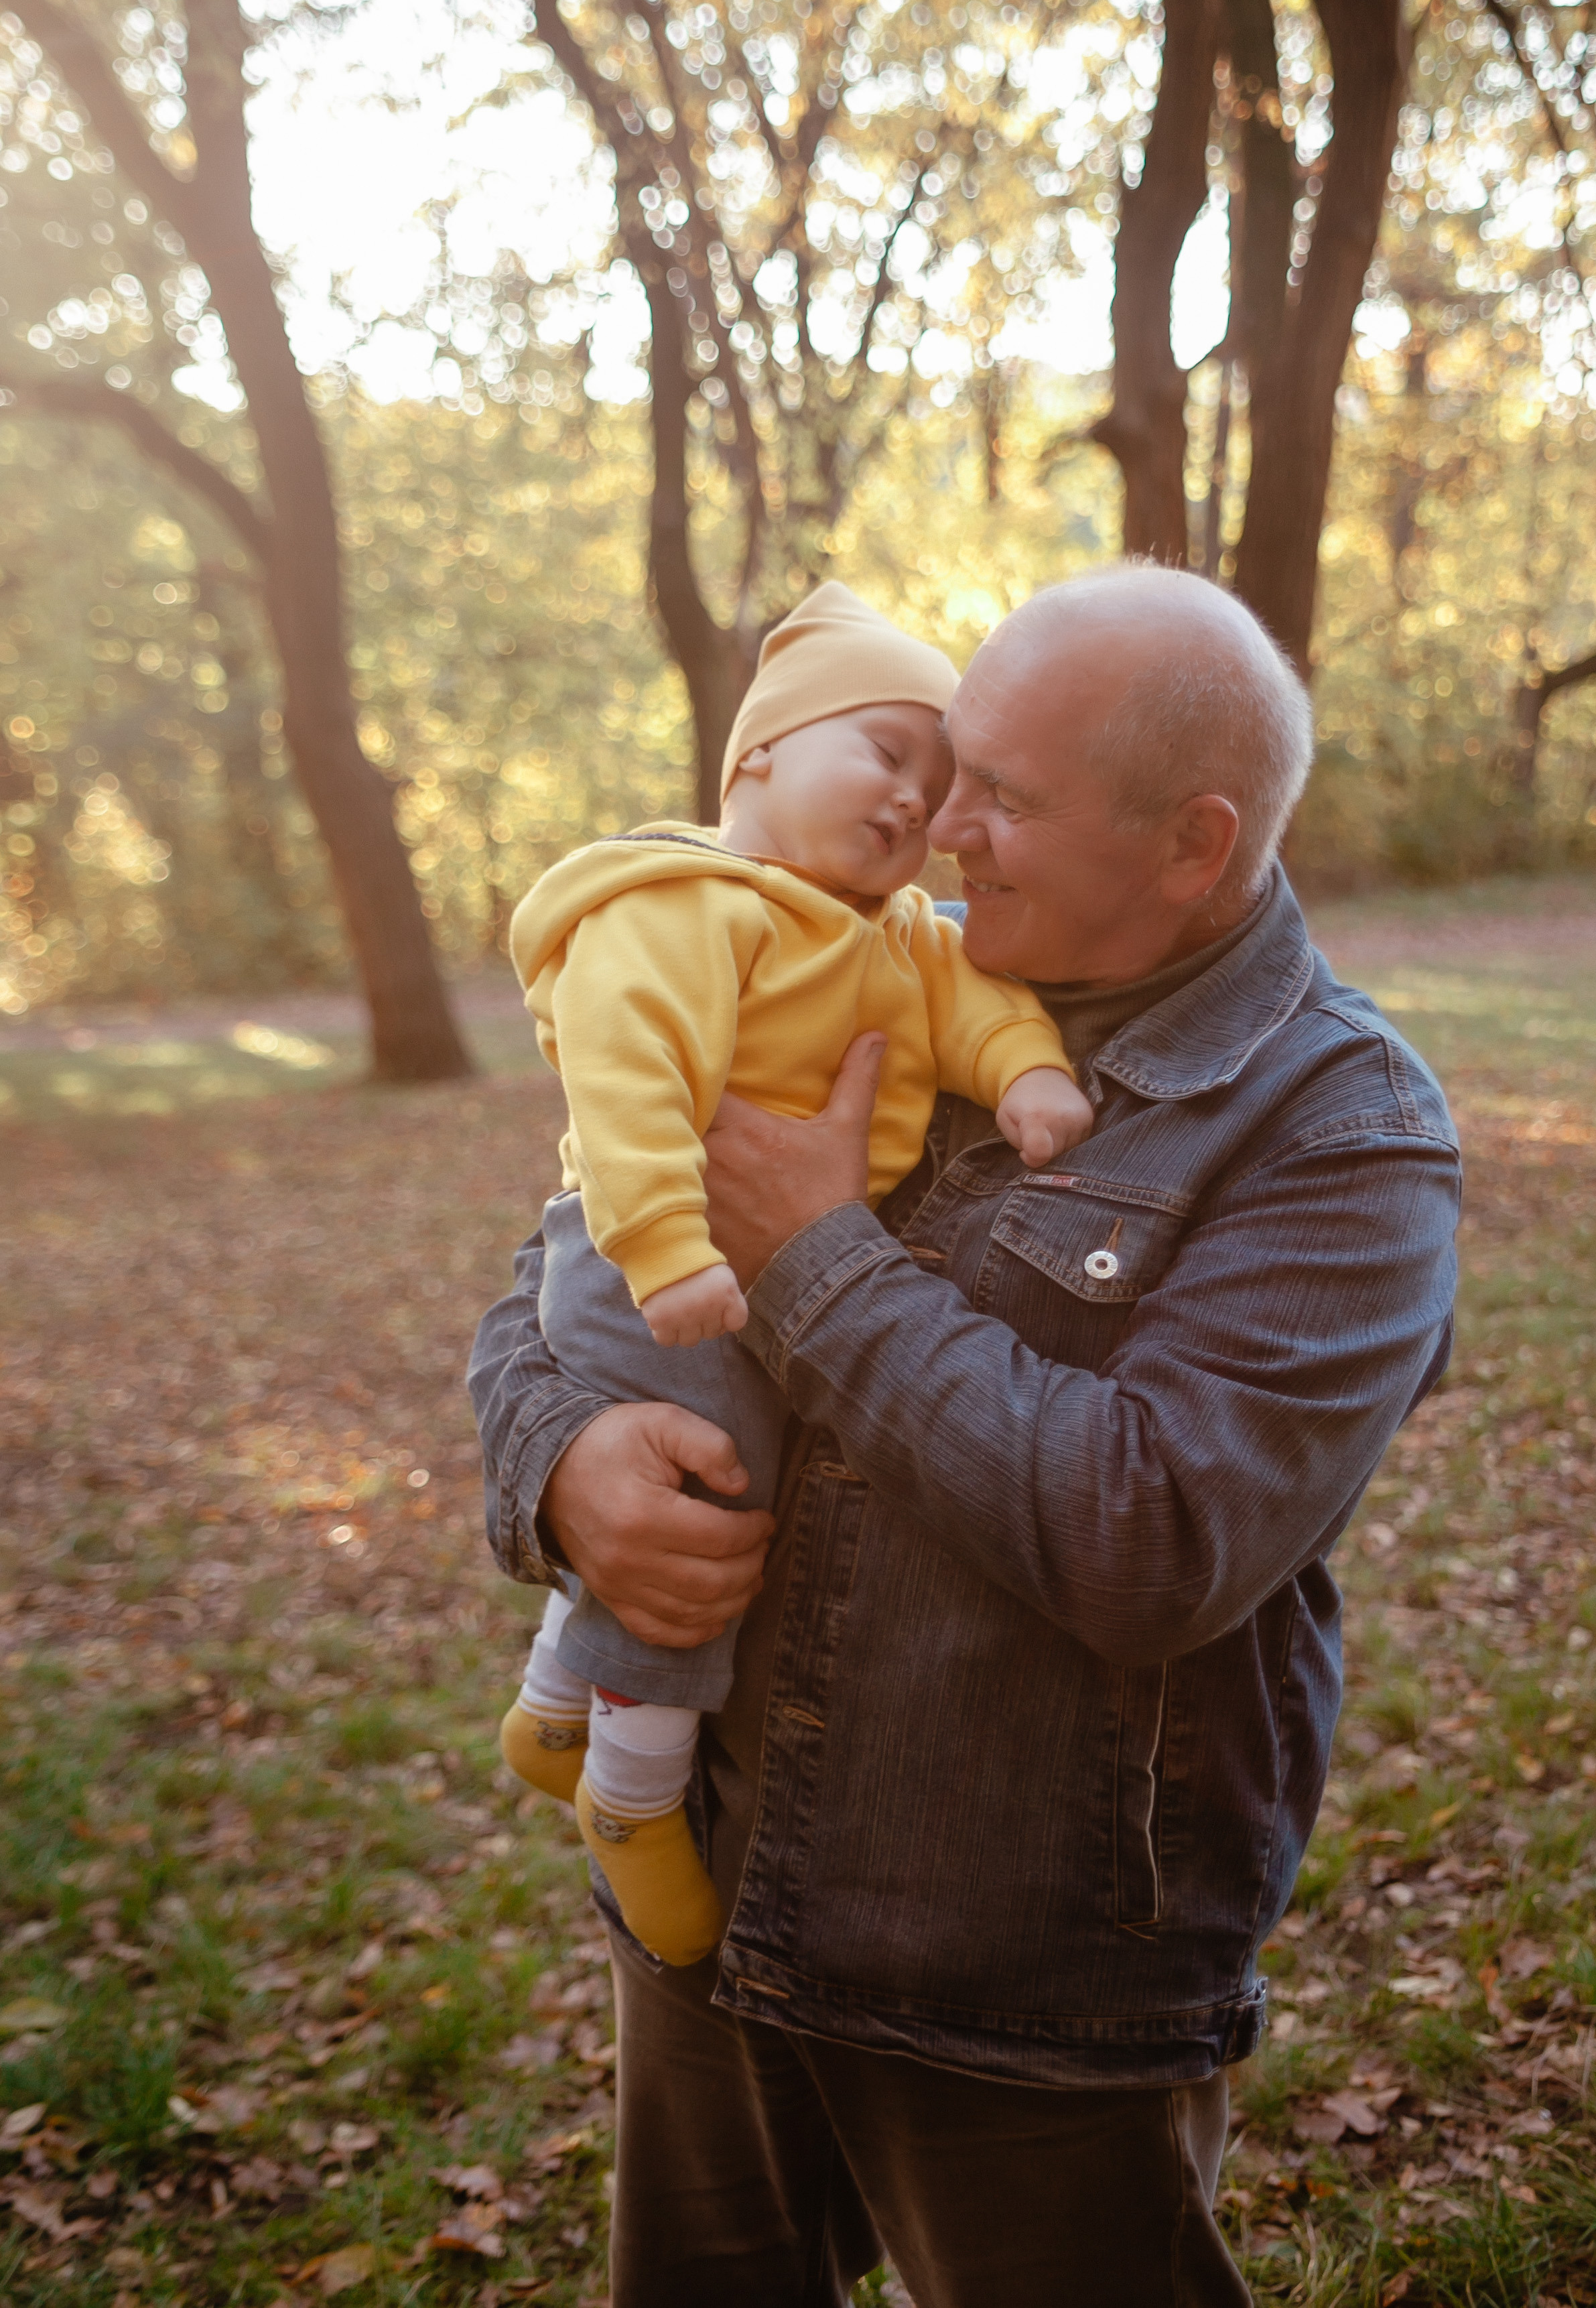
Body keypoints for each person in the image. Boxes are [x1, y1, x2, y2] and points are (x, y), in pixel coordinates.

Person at [469, 563, 1461, 2308]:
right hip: (710, 1874)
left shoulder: (1334, 1128)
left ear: (1189, 840)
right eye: (938, 775)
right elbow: (559, 1261)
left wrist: (812, 1261)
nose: (938, 832)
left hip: (1012, 1970)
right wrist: (556, 1459)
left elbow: (1151, 1537)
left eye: (997, 794)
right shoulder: (820, 943)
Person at [498, 581, 1091, 1968]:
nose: (914, 801)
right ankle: (633, 1797)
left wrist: (1032, 1077)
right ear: (758, 751)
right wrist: (666, 1252)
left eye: (935, 780)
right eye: (885, 752)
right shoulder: (683, 908)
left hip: (758, 1259)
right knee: (709, 1493)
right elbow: (631, 1078)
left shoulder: (891, 932)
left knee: (680, 1485)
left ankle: (552, 1706)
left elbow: (978, 1004)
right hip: (657, 1252)